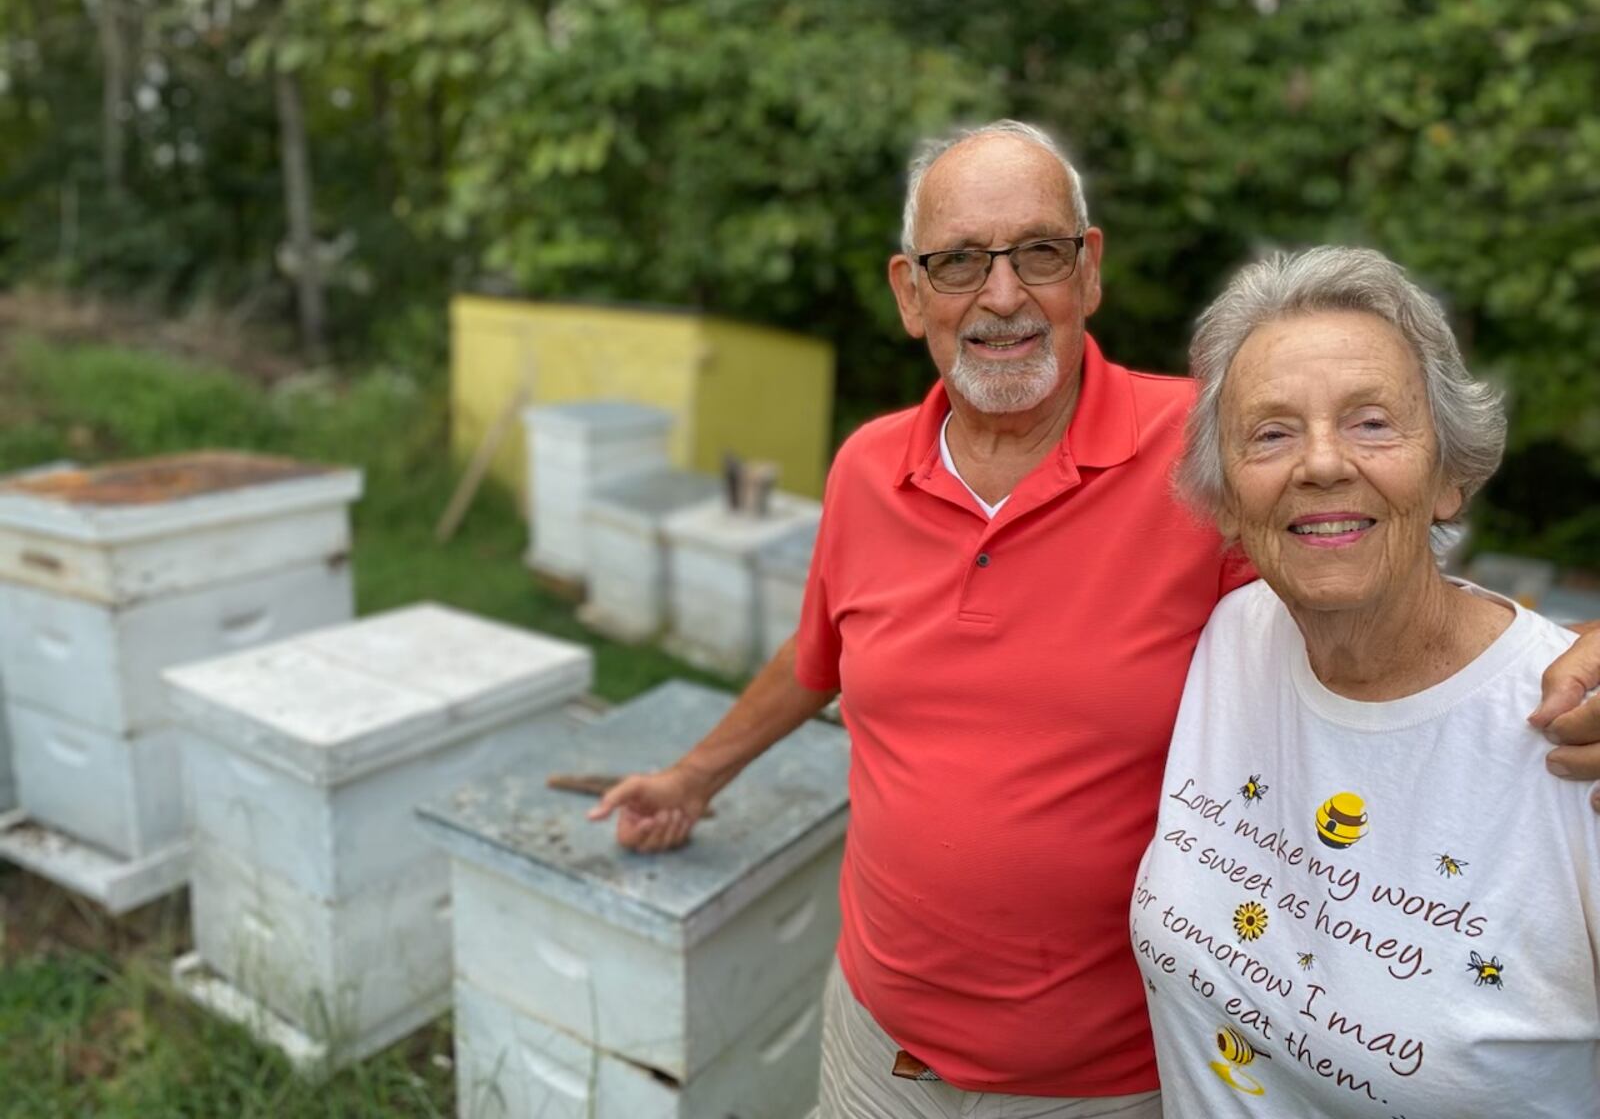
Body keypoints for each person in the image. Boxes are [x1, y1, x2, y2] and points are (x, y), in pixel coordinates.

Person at [589, 122, 1600, 1118]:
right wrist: (693, 776)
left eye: (1038, 252)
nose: (1000, 296)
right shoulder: (865, 467)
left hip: (1108, 1083)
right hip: (875, 1040)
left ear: (1088, 272)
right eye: (956, 263)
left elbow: (1371, 565)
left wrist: (1567, 654)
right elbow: (818, 659)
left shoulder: (1214, 456)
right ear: (908, 293)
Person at [1134, 246, 1598, 1116]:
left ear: (1451, 474)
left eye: (1372, 422)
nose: (1320, 464)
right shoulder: (1230, 642)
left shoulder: (1576, 738)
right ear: (1229, 501)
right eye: (1270, 432)